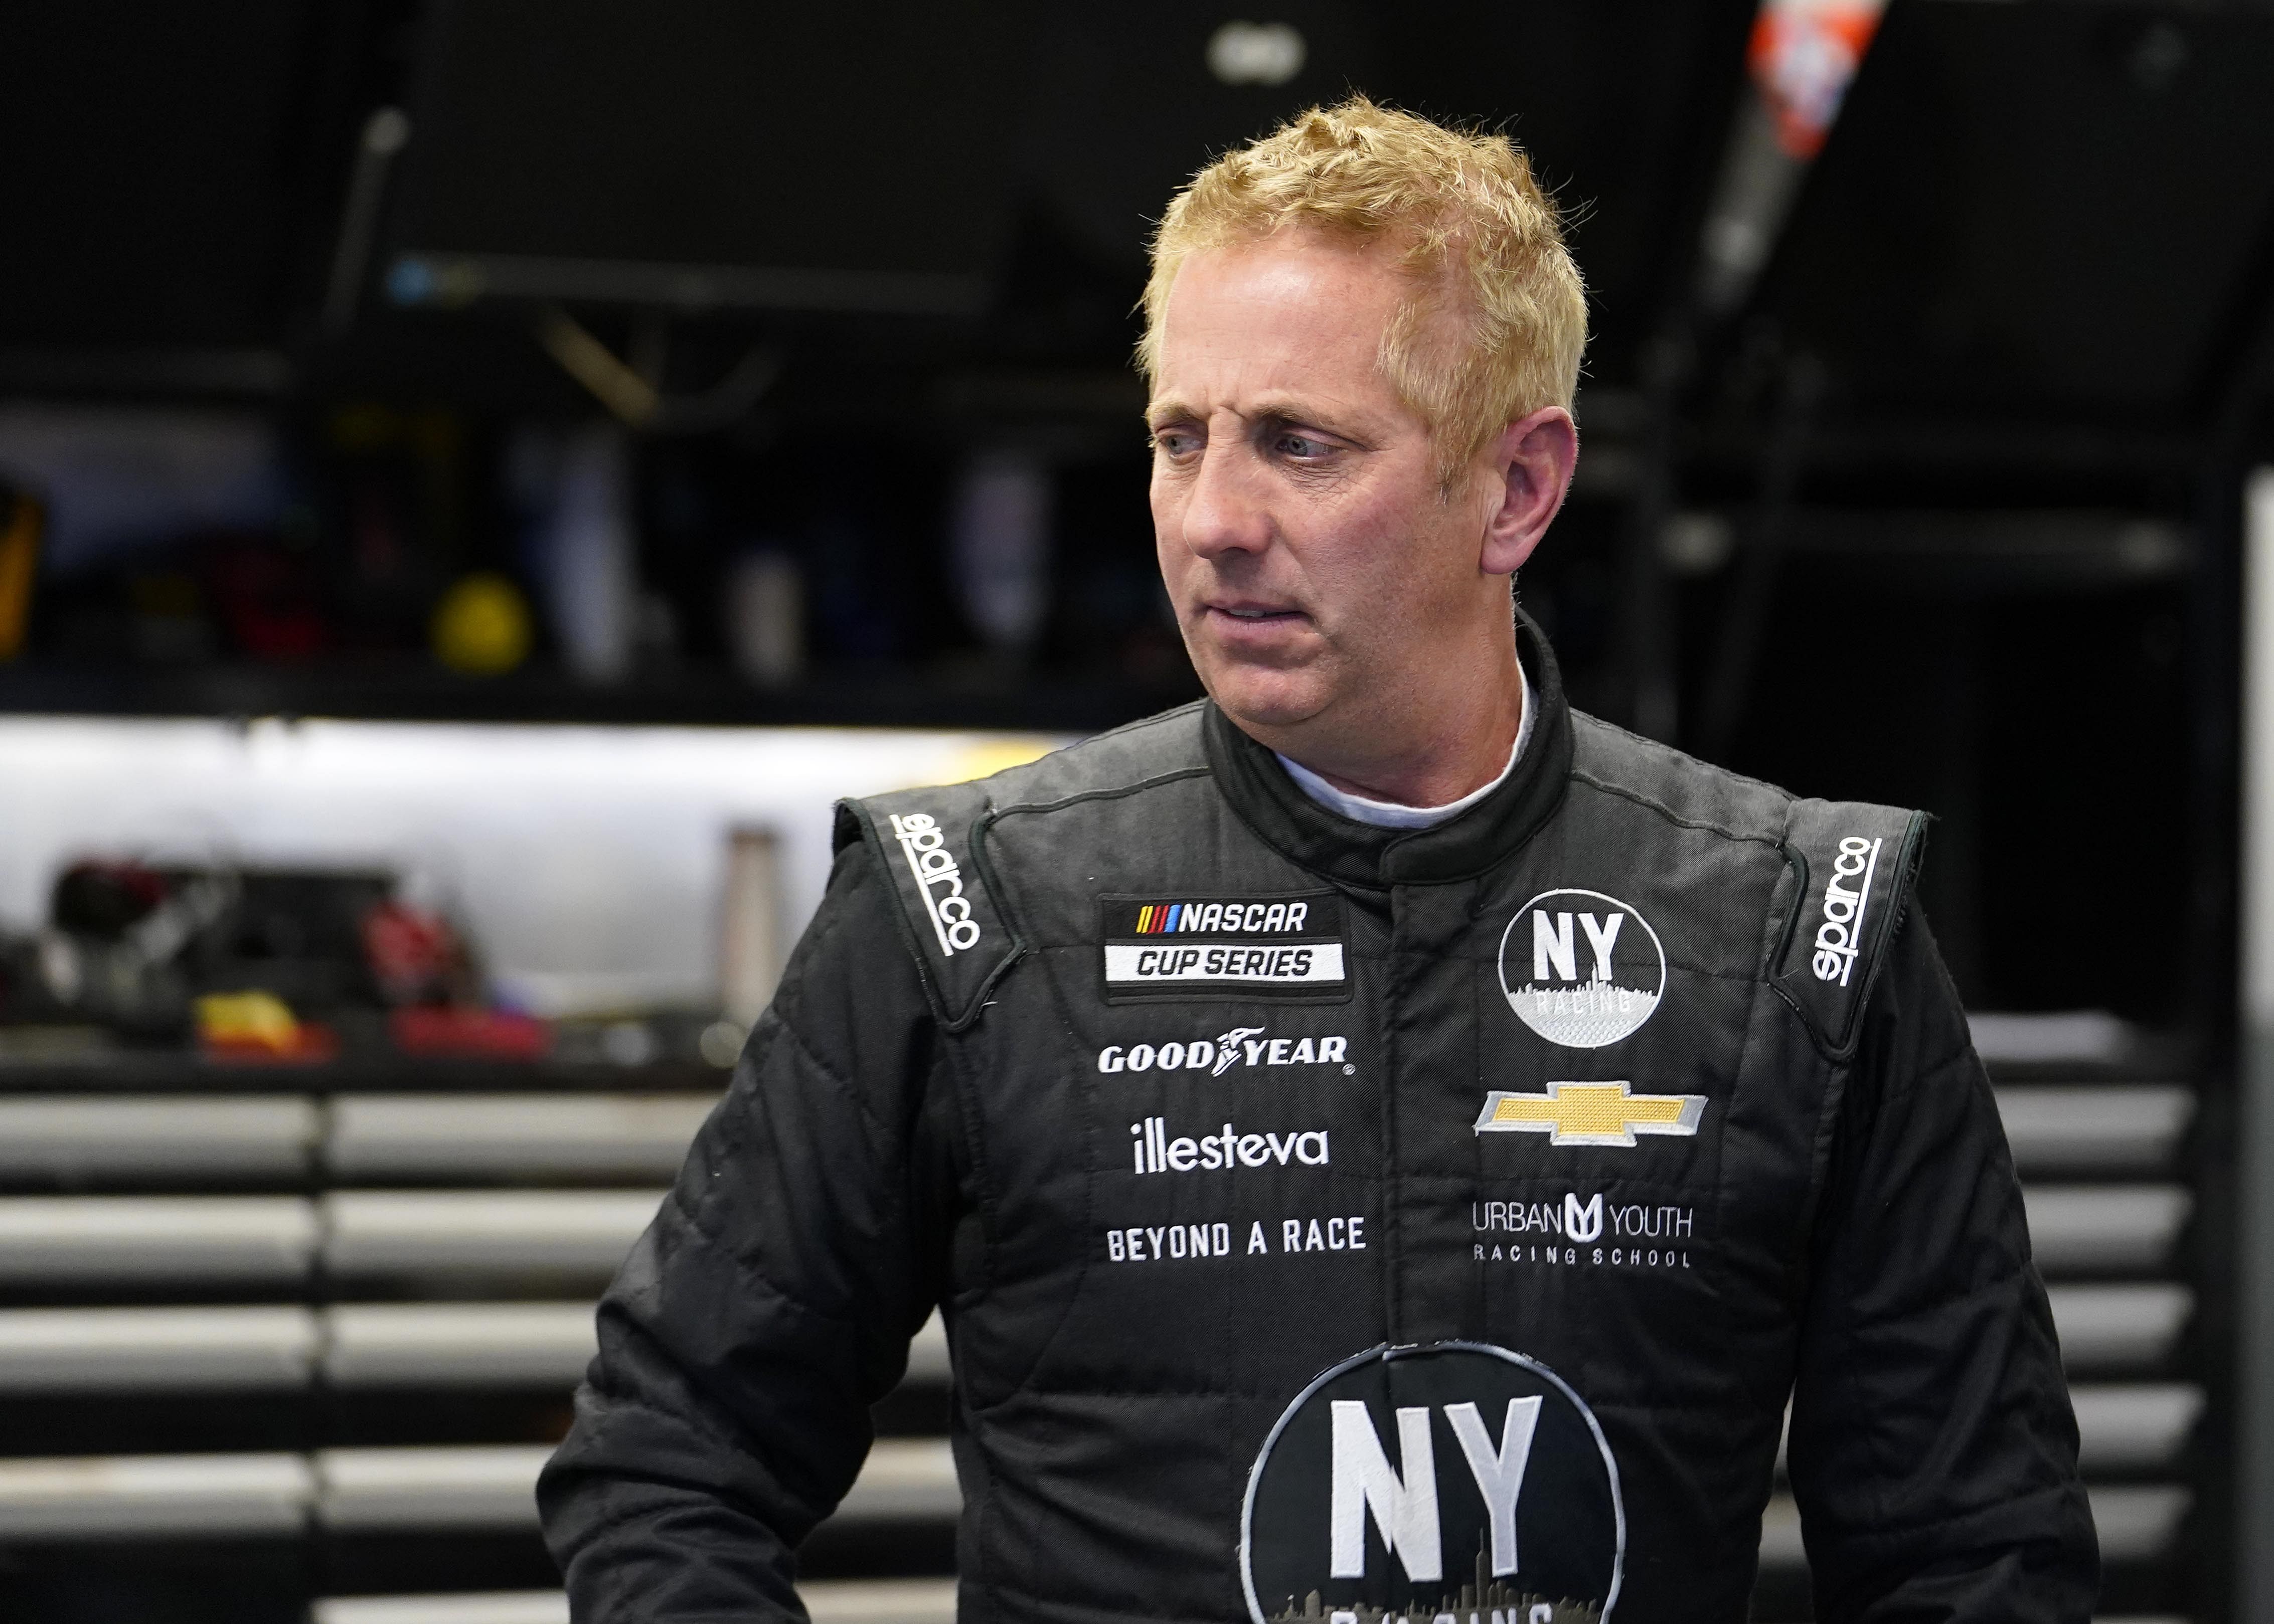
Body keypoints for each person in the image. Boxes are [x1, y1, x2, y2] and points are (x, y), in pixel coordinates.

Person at [540, 98, 2095, 1622]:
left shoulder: (1804, 934)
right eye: (1179, 438)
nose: (1214, 518)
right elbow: (670, 1464)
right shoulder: (968, 906)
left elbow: (1976, 1554)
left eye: (1300, 445)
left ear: (1520, 486)